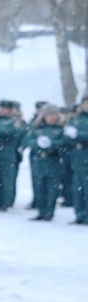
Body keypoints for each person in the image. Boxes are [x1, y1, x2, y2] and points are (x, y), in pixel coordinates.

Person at [25, 104, 65, 221]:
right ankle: (41, 211)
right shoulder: (37, 128)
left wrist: (51, 145)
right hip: (39, 161)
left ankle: (49, 212)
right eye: (49, 114)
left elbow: (64, 144)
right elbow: (28, 141)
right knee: (39, 187)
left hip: (53, 160)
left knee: (52, 188)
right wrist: (37, 144)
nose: (52, 117)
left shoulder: (60, 129)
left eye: (54, 114)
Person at [0, 100, 25, 211]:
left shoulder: (14, 122)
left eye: (5, 109)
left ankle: (6, 203)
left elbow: (13, 133)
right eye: (1, 108)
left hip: (7, 153)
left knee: (6, 180)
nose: (3, 111)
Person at [63, 93, 88, 224]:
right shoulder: (75, 119)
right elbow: (67, 136)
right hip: (77, 158)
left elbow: (77, 134)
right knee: (78, 189)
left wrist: (79, 135)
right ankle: (80, 214)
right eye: (86, 103)